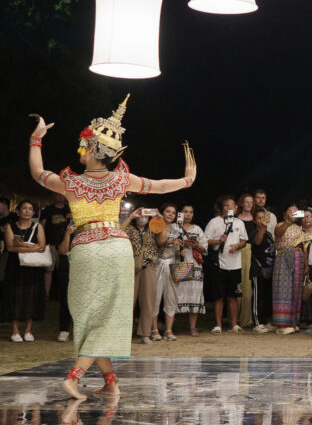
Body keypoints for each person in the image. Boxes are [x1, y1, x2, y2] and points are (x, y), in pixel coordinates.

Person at [28, 96, 196, 399]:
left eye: (84, 143)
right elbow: (157, 186)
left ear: (92, 148)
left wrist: (36, 141)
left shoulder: (71, 183)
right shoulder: (120, 180)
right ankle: (110, 382)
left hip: (86, 248)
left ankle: (75, 376)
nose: (81, 147)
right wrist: (185, 181)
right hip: (117, 248)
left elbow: (39, 174)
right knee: (106, 315)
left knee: (89, 314)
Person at [2, 199, 47, 342]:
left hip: (33, 267)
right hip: (15, 266)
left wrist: (25, 247)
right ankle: (15, 330)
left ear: (33, 212)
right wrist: (33, 247)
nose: (27, 211)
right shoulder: (10, 226)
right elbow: (10, 247)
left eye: (30, 209)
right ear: (18, 211)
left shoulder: (38, 226)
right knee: (15, 296)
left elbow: (43, 246)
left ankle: (28, 330)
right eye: (24, 208)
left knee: (31, 296)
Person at [205, 196, 248, 334]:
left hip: (235, 264)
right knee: (219, 296)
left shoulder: (239, 222)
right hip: (219, 263)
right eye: (232, 205)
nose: (236, 207)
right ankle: (218, 325)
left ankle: (234, 324)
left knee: (233, 296)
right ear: (224, 207)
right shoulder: (214, 222)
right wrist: (218, 241)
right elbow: (205, 240)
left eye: (235, 205)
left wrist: (237, 245)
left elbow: (244, 241)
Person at [123, 209, 161, 345]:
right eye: (141, 214)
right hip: (131, 267)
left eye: (146, 214)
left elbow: (161, 240)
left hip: (149, 266)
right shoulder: (130, 229)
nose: (143, 217)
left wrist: (158, 219)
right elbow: (119, 231)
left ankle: (145, 333)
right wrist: (131, 216)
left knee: (148, 301)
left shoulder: (152, 228)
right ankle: (123, 334)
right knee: (128, 301)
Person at [273, 205, 312, 334]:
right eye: (292, 211)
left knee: (296, 290)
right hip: (284, 258)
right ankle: (283, 323)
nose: (294, 213)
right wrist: (288, 222)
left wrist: (306, 266)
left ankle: (294, 322)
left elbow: (304, 248)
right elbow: (278, 234)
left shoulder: (299, 229)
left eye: (296, 212)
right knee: (283, 289)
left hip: (298, 259)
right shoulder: (280, 225)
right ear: (286, 214)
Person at [174, 204, 207, 337]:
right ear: (180, 214)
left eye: (191, 212)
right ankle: (171, 327)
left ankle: (193, 327)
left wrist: (196, 245)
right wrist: (180, 244)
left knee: (194, 295)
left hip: (194, 264)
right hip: (180, 263)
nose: (188, 214)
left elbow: (204, 249)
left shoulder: (197, 229)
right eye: (185, 212)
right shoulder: (174, 227)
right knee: (175, 295)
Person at [153, 203, 181, 341]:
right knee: (155, 298)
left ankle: (169, 330)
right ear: (162, 213)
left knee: (172, 298)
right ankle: (154, 330)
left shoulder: (178, 228)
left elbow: (182, 246)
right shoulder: (156, 224)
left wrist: (180, 245)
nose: (170, 214)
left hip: (174, 264)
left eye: (173, 212)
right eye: (168, 211)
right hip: (158, 264)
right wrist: (171, 238)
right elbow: (160, 241)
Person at [250, 206, 276, 334]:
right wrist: (262, 228)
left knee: (267, 298)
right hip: (258, 270)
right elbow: (258, 242)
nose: (261, 220)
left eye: (263, 218)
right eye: (259, 218)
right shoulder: (255, 232)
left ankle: (265, 321)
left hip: (270, 270)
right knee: (257, 297)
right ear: (255, 221)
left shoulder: (269, 234)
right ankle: (257, 323)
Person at [236, 193, 256, 329]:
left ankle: (247, 319)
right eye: (246, 202)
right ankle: (234, 319)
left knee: (249, 286)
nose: (249, 204)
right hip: (237, 252)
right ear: (242, 203)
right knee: (238, 285)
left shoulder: (255, 220)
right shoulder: (236, 219)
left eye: (251, 202)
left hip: (251, 252)